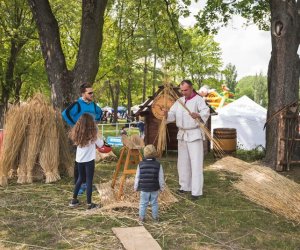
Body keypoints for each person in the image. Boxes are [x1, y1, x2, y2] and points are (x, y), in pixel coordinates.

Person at [164, 80, 210, 200]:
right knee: (182, 162)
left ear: (191, 88)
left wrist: (198, 115)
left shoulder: (199, 100)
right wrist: (166, 114)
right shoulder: (179, 101)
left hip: (194, 134)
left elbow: (206, 112)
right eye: (182, 90)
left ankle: (196, 191)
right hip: (182, 134)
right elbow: (172, 115)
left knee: (196, 163)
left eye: (186, 90)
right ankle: (185, 186)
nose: (183, 92)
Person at [62, 83, 102, 195]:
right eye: (90, 93)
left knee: (89, 160)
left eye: (92, 92)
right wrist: (76, 126)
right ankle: (78, 185)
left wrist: (96, 122)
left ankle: (86, 183)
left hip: (91, 135)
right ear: (83, 93)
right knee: (79, 160)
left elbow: (100, 113)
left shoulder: (93, 105)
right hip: (80, 136)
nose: (92, 94)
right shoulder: (77, 104)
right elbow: (65, 114)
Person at [68, 113, 104, 210]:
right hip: (89, 161)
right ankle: (89, 204)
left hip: (79, 160)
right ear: (91, 123)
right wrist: (98, 133)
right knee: (89, 181)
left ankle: (73, 200)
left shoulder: (77, 133)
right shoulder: (93, 135)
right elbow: (101, 144)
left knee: (80, 178)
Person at [134, 144, 164, 222]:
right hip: (154, 188)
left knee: (143, 203)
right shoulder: (158, 165)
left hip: (144, 188)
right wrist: (162, 187)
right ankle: (155, 218)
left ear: (144, 153)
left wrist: (136, 187)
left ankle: (141, 218)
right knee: (154, 203)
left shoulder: (140, 164)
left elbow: (137, 176)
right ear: (155, 154)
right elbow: (161, 178)